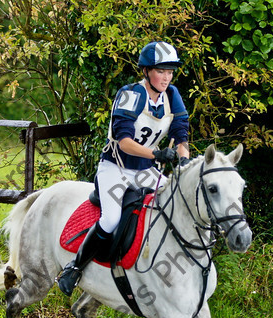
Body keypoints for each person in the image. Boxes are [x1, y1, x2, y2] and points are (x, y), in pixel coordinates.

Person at [56, 40, 190, 296]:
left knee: (176, 202)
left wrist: (183, 159)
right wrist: (157, 153)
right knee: (111, 218)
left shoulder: (172, 96)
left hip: (145, 170)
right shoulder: (131, 94)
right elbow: (125, 141)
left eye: (170, 71)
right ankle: (74, 268)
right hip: (115, 167)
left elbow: (181, 136)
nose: (166, 77)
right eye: (161, 71)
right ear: (147, 71)